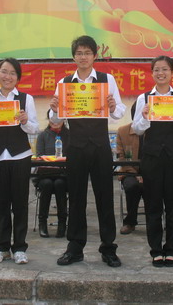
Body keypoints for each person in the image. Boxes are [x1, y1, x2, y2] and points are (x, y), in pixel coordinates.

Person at [49, 35, 125, 267]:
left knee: (105, 197)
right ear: (74, 57)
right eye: (79, 53)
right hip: (76, 146)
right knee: (76, 198)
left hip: (101, 145)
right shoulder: (64, 83)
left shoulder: (106, 80)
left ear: (94, 56)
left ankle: (108, 248)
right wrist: (54, 109)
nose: (83, 57)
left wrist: (113, 106)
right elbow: (56, 120)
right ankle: (75, 248)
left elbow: (119, 112)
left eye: (87, 53)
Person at [0, 58, 39, 265]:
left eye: (13, 73)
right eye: (4, 71)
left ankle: (19, 248)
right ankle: (1, 248)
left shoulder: (26, 99)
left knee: (20, 203)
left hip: (20, 156)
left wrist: (25, 121)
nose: (8, 76)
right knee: (1, 203)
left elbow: (35, 129)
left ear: (18, 78)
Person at [131, 55, 173, 268]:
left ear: (172, 73)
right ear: (152, 73)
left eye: (165, 69)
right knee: (153, 204)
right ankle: (156, 250)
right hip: (152, 158)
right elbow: (137, 129)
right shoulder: (144, 98)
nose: (161, 73)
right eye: (156, 69)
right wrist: (144, 116)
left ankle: (171, 249)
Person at [34, 112, 69, 238]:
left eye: (58, 120)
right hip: (45, 174)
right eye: (52, 120)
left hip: (63, 174)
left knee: (60, 184)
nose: (55, 123)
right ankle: (42, 222)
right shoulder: (43, 135)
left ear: (64, 120)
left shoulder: (69, 135)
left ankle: (62, 223)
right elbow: (39, 156)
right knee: (47, 184)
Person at [115, 103, 143, 235]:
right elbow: (122, 158)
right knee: (132, 186)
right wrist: (136, 175)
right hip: (129, 172)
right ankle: (130, 222)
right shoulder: (123, 131)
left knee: (156, 185)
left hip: (152, 171)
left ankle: (155, 220)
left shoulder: (153, 132)